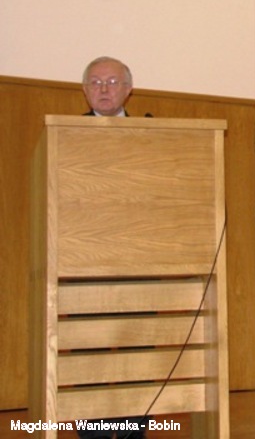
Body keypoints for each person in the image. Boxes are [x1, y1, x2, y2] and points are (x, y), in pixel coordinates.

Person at [78, 56, 146, 439]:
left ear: (128, 89)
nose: (103, 89)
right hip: (85, 262)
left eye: (112, 82)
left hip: (139, 261)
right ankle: (94, 432)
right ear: (85, 90)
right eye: (96, 82)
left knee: (137, 351)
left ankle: (134, 430)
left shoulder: (150, 135)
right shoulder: (65, 132)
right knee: (90, 351)